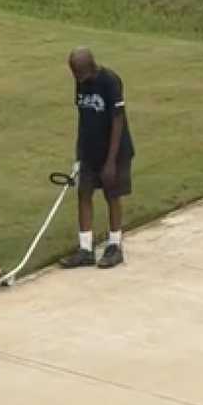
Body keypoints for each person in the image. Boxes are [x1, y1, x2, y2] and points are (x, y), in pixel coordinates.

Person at [60, 47, 135, 269]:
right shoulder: (81, 82)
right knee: (84, 193)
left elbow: (117, 120)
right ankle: (85, 249)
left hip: (114, 151)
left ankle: (114, 246)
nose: (76, 77)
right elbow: (83, 119)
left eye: (78, 72)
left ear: (89, 67)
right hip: (89, 152)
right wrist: (79, 154)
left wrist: (111, 161)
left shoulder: (110, 81)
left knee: (112, 195)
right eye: (74, 73)